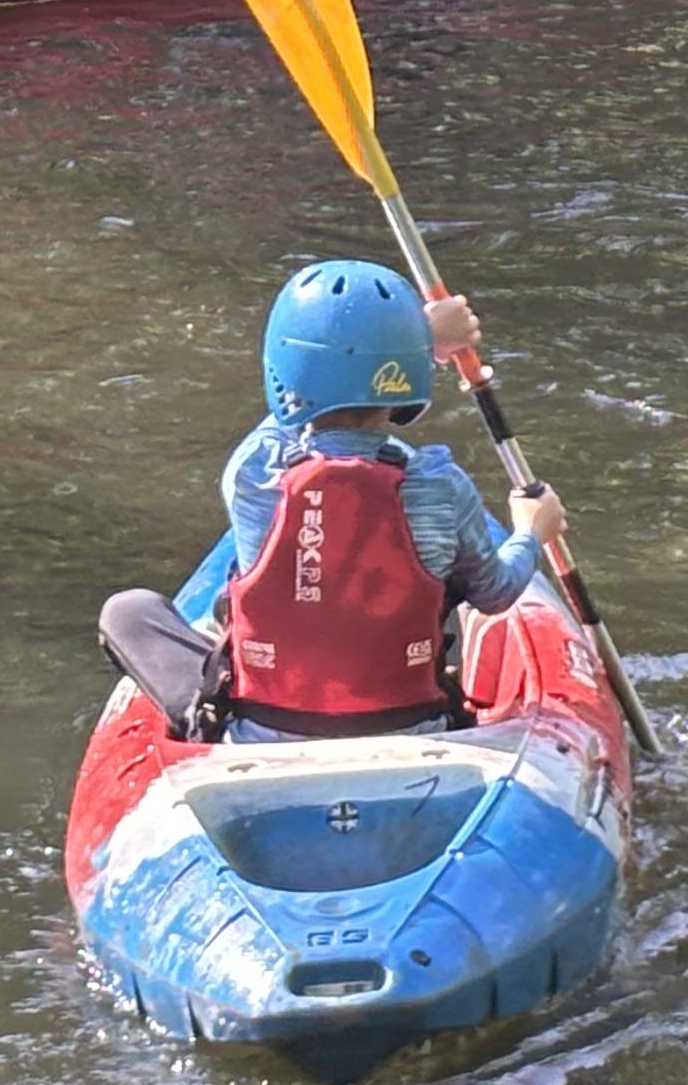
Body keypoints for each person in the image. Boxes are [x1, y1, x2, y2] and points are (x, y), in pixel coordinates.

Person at [95, 259, 569, 744]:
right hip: (411, 723)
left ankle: (206, 719)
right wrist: (532, 532)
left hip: (262, 729)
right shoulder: (440, 486)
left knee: (128, 612)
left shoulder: (254, 473)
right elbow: (494, 592)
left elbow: (289, 413)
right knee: (444, 583)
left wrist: (420, 340)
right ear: (405, 378)